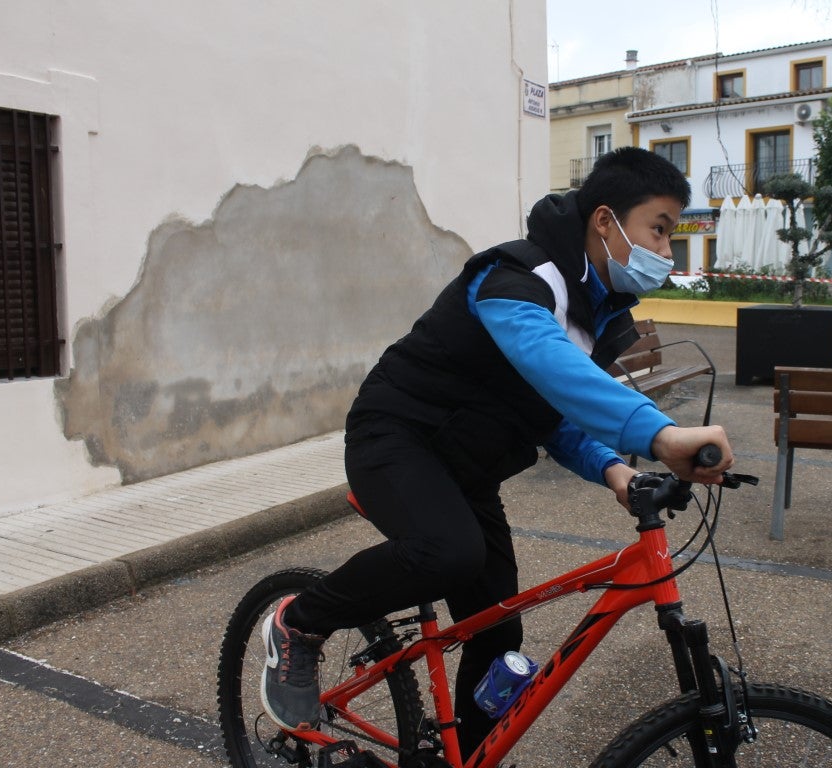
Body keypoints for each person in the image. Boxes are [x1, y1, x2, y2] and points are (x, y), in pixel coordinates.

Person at [258, 147, 734, 752]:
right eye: (659, 230)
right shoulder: (516, 277)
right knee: (448, 551)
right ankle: (298, 623)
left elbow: (551, 414)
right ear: (606, 221)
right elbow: (550, 366)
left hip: (467, 467)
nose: (666, 252)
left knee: (498, 628)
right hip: (397, 435)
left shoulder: (594, 313)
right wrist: (660, 435)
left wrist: (615, 469)